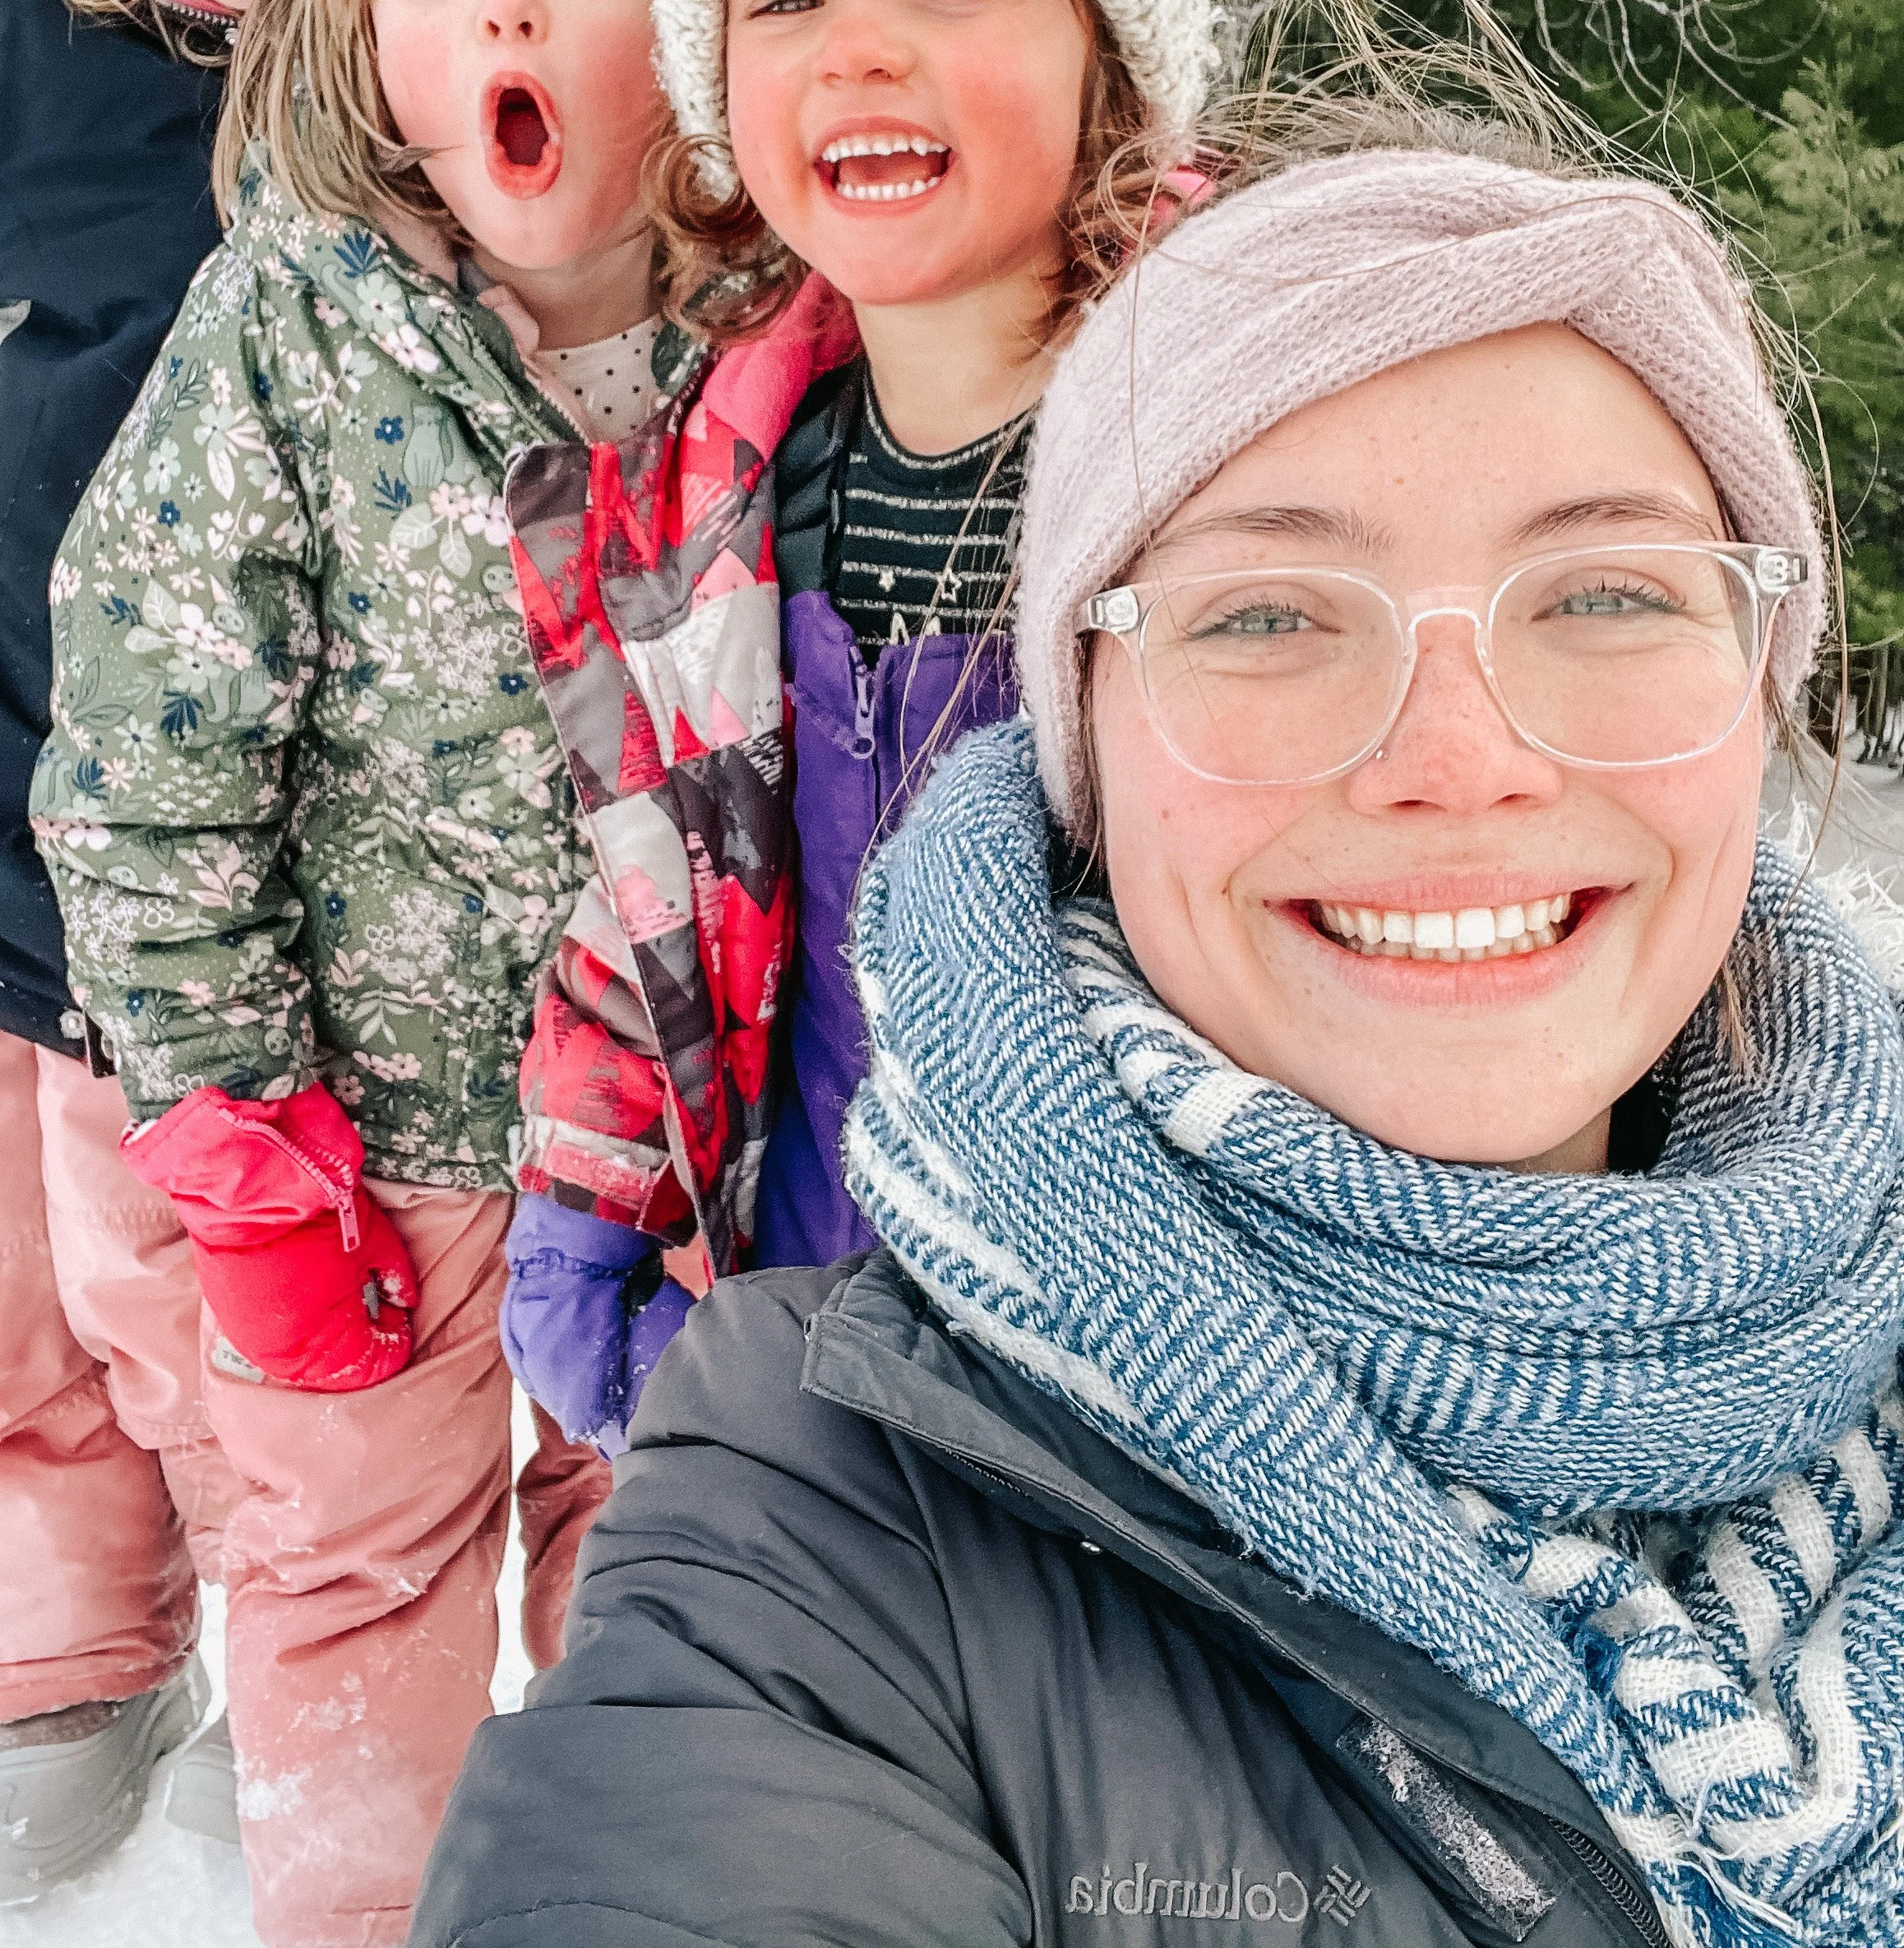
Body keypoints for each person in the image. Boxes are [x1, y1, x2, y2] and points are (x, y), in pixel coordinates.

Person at [412, 104, 1904, 1948]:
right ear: (1083, 754)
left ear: (1759, 685)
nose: (1458, 761)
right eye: (1267, 612)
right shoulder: (825, 1499)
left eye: (1607, 591)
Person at [29, 0, 691, 1946]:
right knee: (345, 1588)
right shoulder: (290, 334)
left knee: (690, 1590)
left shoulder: (784, 337)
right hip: (372, 1163)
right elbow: (144, 760)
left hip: (678, 1158)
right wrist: (231, 1128)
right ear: (365, 33)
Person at [497, 0, 1220, 1454]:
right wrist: (588, 1193)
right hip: (817, 1303)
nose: (860, 45)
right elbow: (658, 881)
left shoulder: (1231, 456)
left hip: (1166, 1367)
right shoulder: (711, 486)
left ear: (1111, 51)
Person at [0, 0, 540, 1902]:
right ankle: (76, 1683)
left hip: (355, 906)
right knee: (43, 1344)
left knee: (288, 1349)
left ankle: (402, 1697)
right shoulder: (25, 51)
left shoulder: (455, 52)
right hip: (34, 842)